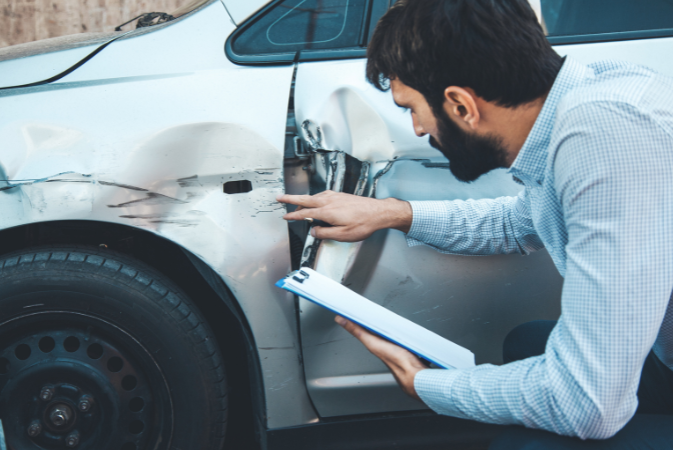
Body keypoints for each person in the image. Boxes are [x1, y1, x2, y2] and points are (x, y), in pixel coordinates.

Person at [277, 0, 673, 447]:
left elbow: (586, 403)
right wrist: (390, 213)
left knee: (518, 446)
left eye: (412, 108)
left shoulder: (605, 137)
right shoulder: (586, 99)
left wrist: (425, 386)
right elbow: (516, 222)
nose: (419, 129)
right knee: (529, 343)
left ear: (462, 105)